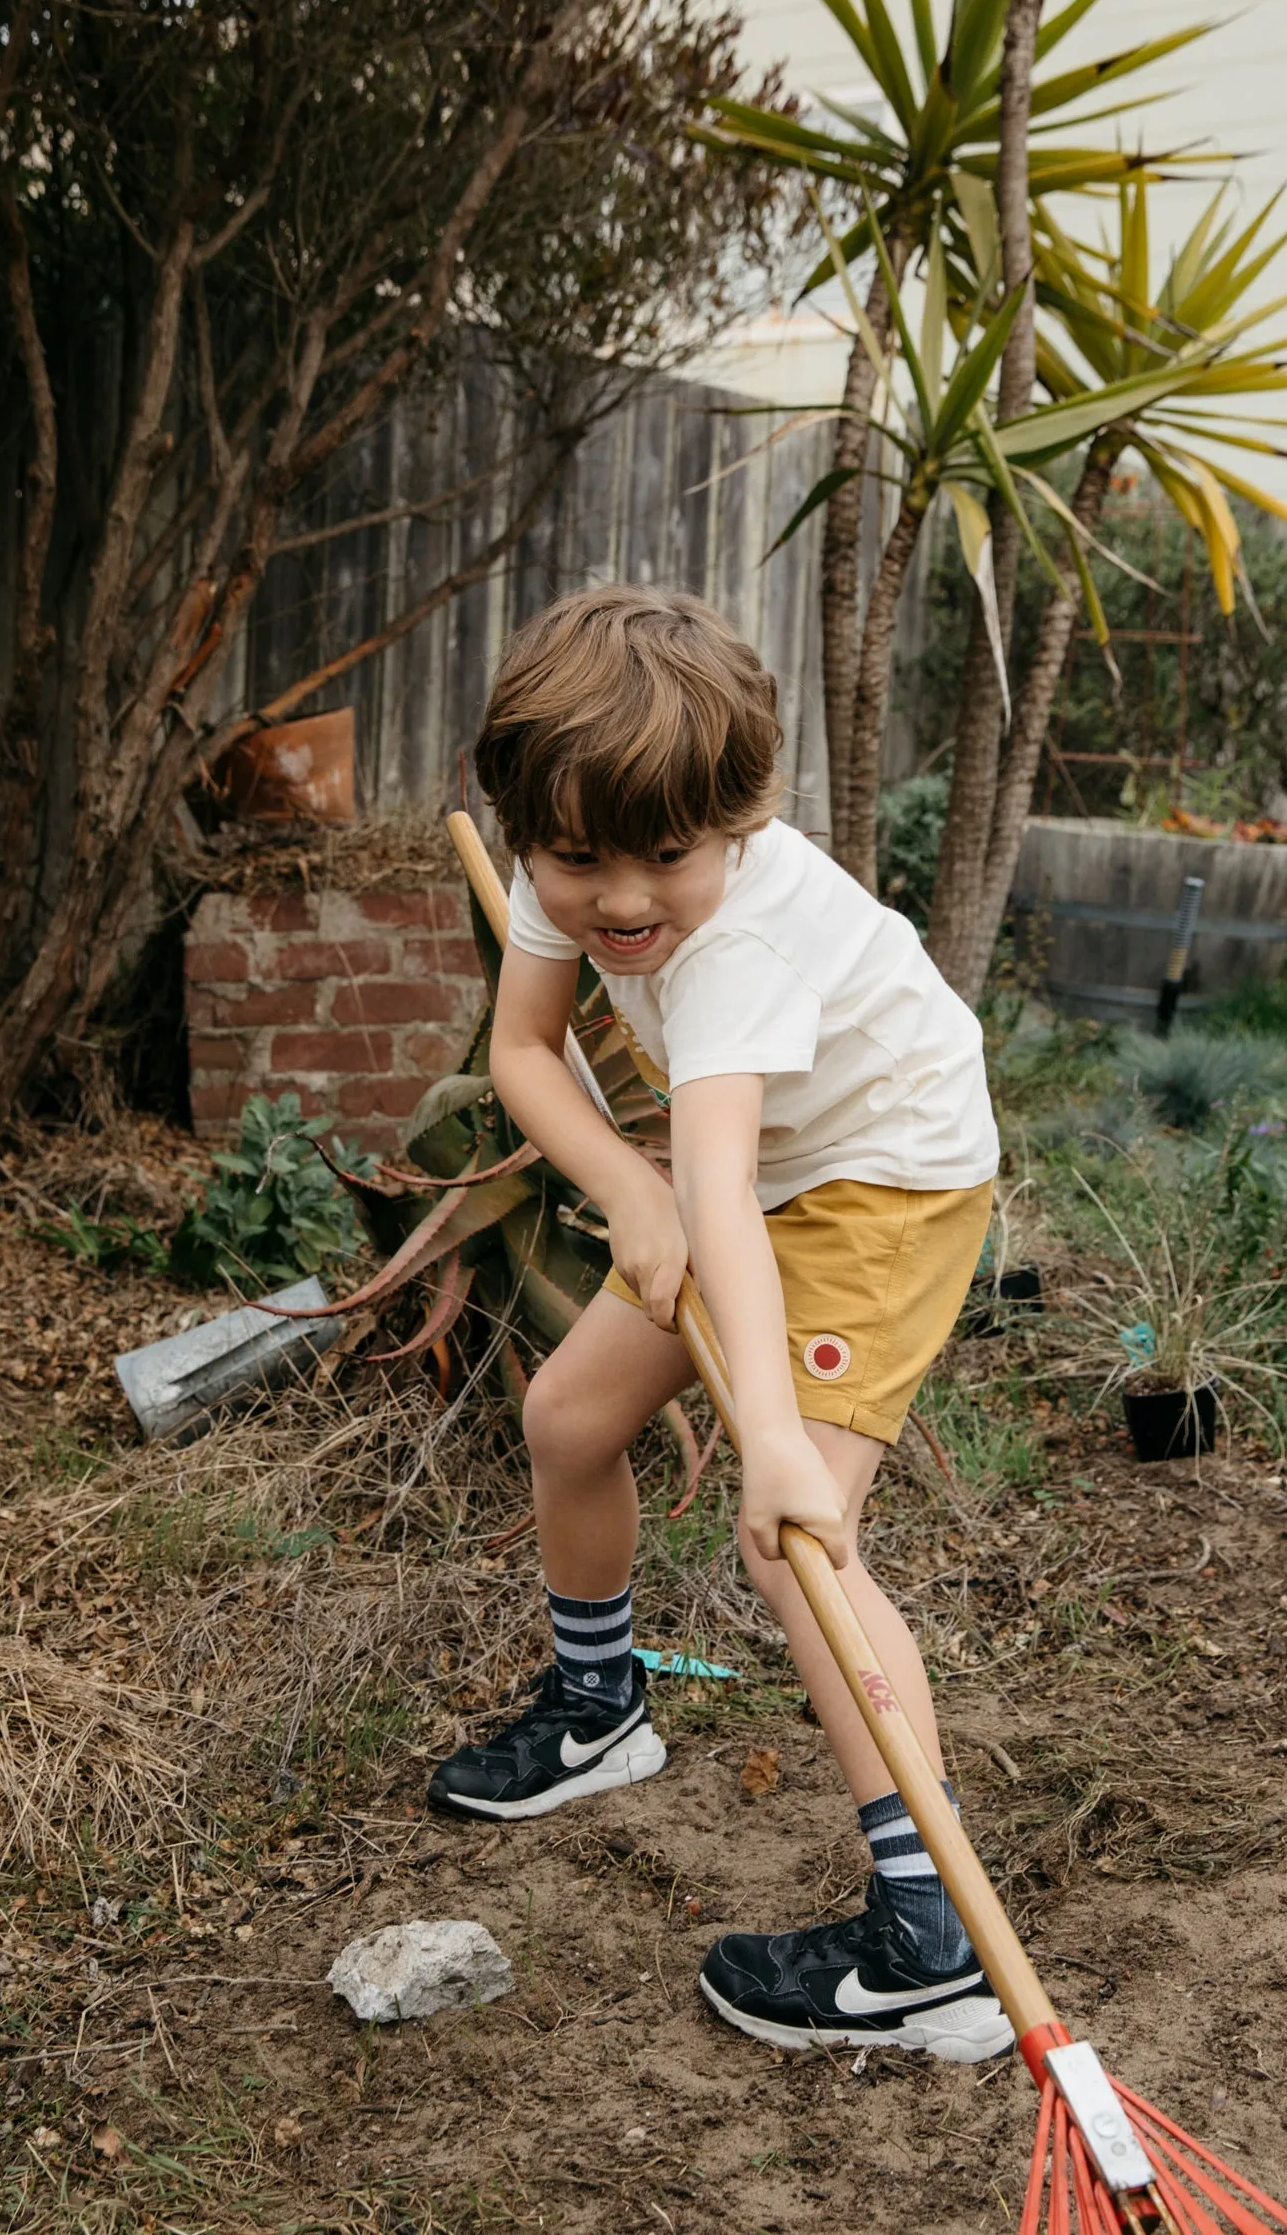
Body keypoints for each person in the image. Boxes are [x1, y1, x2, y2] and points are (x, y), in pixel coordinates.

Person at [427, 586, 1009, 2062]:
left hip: (882, 1178)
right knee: (566, 1420)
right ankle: (601, 1708)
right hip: (739, 1172)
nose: (619, 903)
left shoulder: (740, 943)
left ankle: (931, 1943)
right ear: (535, 826)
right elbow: (521, 1049)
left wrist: (769, 1441)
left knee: (793, 1541)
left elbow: (735, 1204)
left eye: (664, 863)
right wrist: (631, 1187)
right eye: (576, 865)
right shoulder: (570, 837)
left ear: (736, 822)